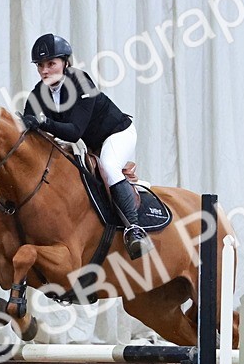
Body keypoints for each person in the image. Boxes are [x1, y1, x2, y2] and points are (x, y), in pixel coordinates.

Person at [22, 33, 152, 260]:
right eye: (40, 65)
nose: (45, 70)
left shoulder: (81, 82)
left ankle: (135, 229)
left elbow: (74, 132)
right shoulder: (38, 92)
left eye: (51, 64)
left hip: (117, 134)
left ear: (65, 62)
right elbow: (26, 127)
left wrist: (43, 122)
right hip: (92, 144)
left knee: (109, 166)